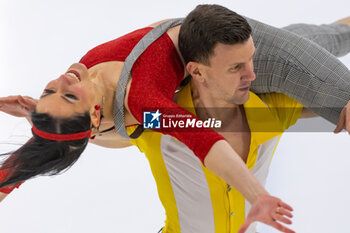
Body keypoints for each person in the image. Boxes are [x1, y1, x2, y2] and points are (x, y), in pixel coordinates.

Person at [0, 3, 350, 233]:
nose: (61, 80)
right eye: (67, 94)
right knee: (320, 44)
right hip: (208, 71)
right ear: (93, 117)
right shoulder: (144, 106)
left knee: (336, 81)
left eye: (48, 92)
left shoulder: (112, 98)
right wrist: (257, 194)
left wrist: (39, 108)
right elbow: (204, 139)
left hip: (220, 44)